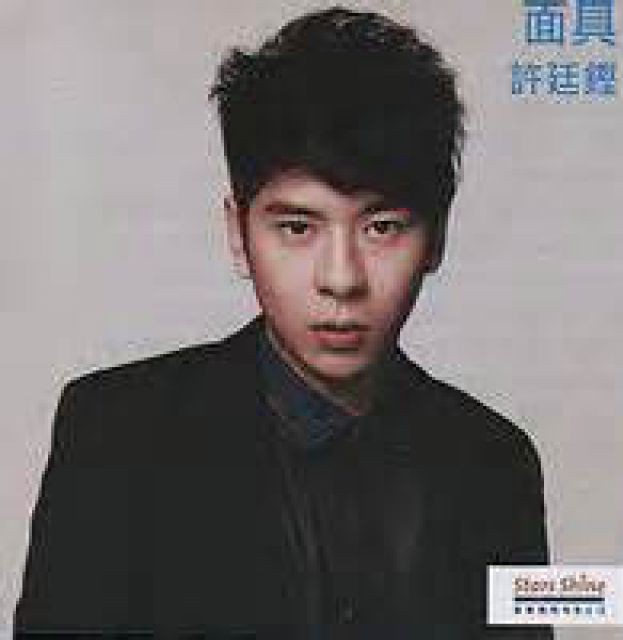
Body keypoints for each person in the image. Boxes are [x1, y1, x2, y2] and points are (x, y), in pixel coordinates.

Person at [14, 6, 552, 638]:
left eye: (382, 227)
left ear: (436, 237)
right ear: (237, 234)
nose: (342, 278)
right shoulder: (114, 435)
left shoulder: (497, 463)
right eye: (297, 228)